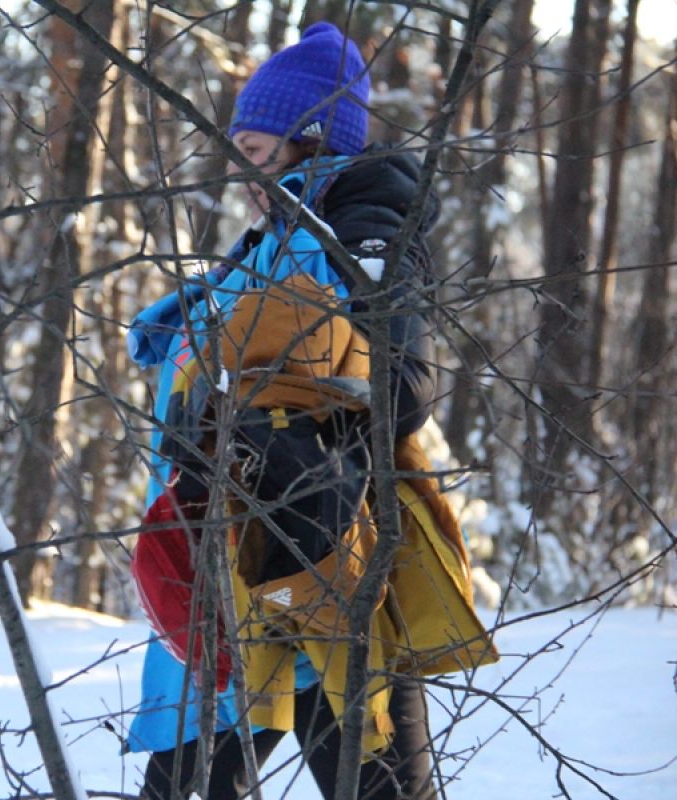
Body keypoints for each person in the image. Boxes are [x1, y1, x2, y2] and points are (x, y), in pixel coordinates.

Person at [125, 22, 497, 800]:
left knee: (373, 786)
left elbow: (402, 390)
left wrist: (263, 428)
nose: (242, 174)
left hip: (322, 556)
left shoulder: (362, 230)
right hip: (238, 564)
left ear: (312, 141)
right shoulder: (270, 244)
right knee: (188, 781)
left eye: (256, 152)